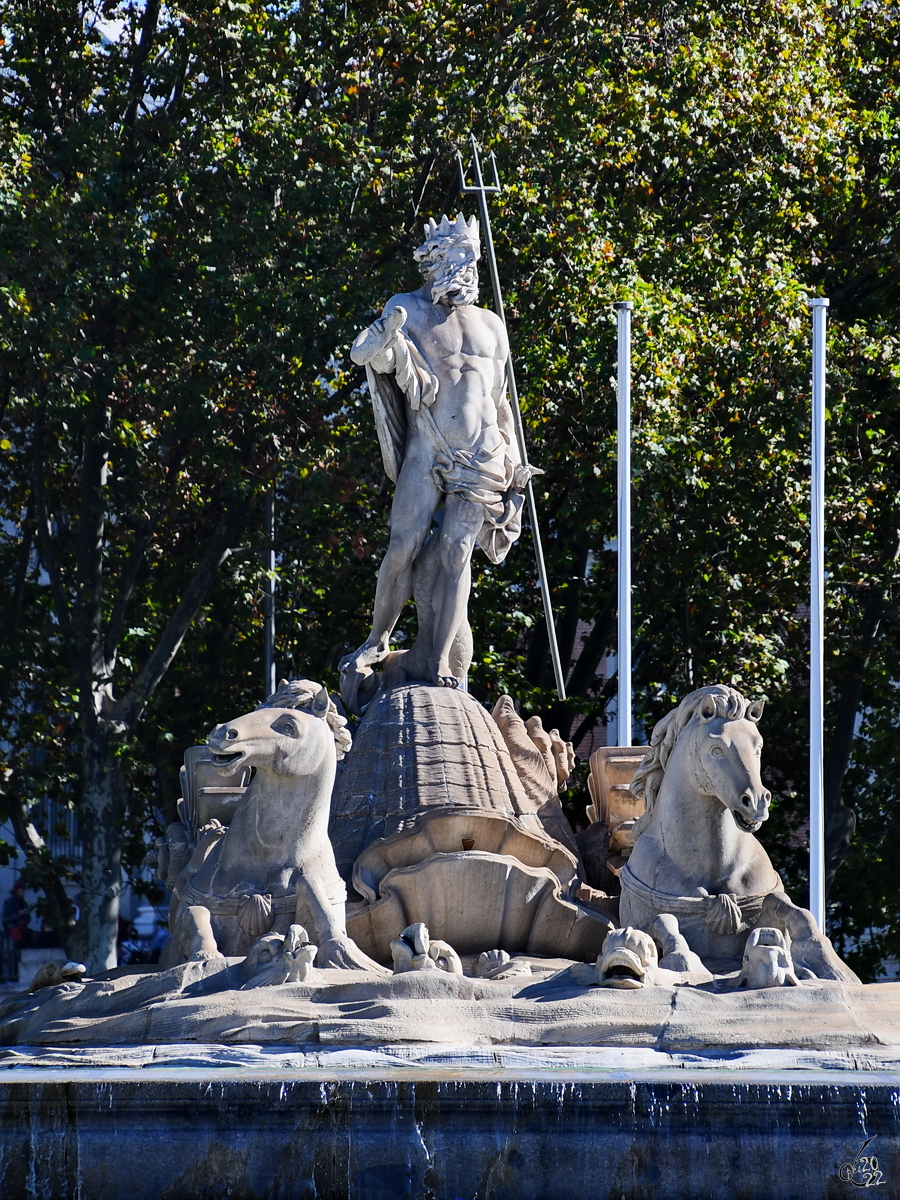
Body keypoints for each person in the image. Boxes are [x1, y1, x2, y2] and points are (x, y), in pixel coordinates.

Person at [343, 213, 537, 691]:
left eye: (472, 261)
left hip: (485, 455)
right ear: (434, 262)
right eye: (458, 259)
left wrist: (513, 458)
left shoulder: (492, 324)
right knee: (403, 545)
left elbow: (501, 399)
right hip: (427, 447)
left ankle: (441, 663)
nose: (467, 270)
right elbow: (380, 359)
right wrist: (385, 339)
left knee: (456, 554)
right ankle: (378, 637)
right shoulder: (406, 308)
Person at [2, 879, 32, 949]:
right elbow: (5, 918)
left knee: (31, 936)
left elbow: (28, 917)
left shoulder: (24, 903)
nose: (23, 893)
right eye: (21, 891)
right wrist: (18, 914)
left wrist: (24, 920)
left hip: (22, 926)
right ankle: (17, 956)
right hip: (12, 926)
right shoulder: (8, 902)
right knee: (18, 939)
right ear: (16, 891)